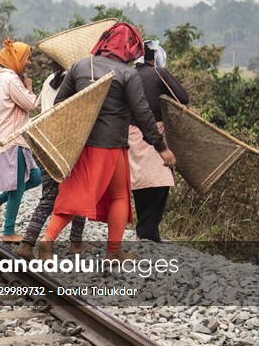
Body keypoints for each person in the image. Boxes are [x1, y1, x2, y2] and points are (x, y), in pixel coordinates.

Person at [38, 23, 176, 262]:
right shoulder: (127, 74)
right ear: (129, 47)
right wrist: (161, 148)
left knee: (73, 195)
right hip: (112, 145)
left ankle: (48, 238)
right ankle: (114, 251)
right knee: (120, 197)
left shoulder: (80, 66)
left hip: (81, 146)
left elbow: (60, 105)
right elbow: (143, 114)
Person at [15, 62, 87, 259]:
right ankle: (75, 242)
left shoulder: (50, 79)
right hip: (62, 143)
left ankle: (27, 244)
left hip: (42, 139)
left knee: (48, 196)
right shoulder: (75, 81)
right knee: (80, 191)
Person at [129, 39, 190, 242]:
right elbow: (183, 96)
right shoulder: (158, 73)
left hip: (130, 134)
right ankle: (144, 233)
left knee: (141, 182)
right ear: (153, 57)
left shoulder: (129, 74)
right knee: (161, 182)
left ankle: (150, 233)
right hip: (153, 133)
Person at [0, 39, 43, 242]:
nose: (28, 63)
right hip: (12, 139)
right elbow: (31, 104)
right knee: (19, 185)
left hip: (15, 139)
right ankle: (8, 231)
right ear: (16, 59)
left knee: (35, 178)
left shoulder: (3, 78)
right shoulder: (11, 80)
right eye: (26, 58)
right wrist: (29, 87)